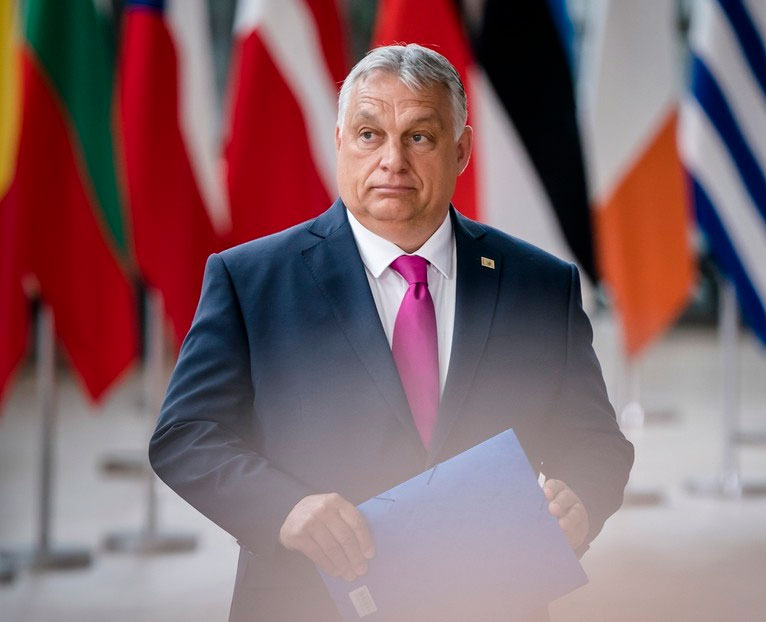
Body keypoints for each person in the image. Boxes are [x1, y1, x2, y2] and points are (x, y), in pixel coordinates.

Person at [150, 43, 633, 622]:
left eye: (419, 137)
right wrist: (284, 508)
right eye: (369, 135)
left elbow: (597, 442)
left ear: (461, 150)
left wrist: (581, 499)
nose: (392, 161)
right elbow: (184, 435)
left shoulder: (540, 286)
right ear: (339, 142)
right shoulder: (250, 280)